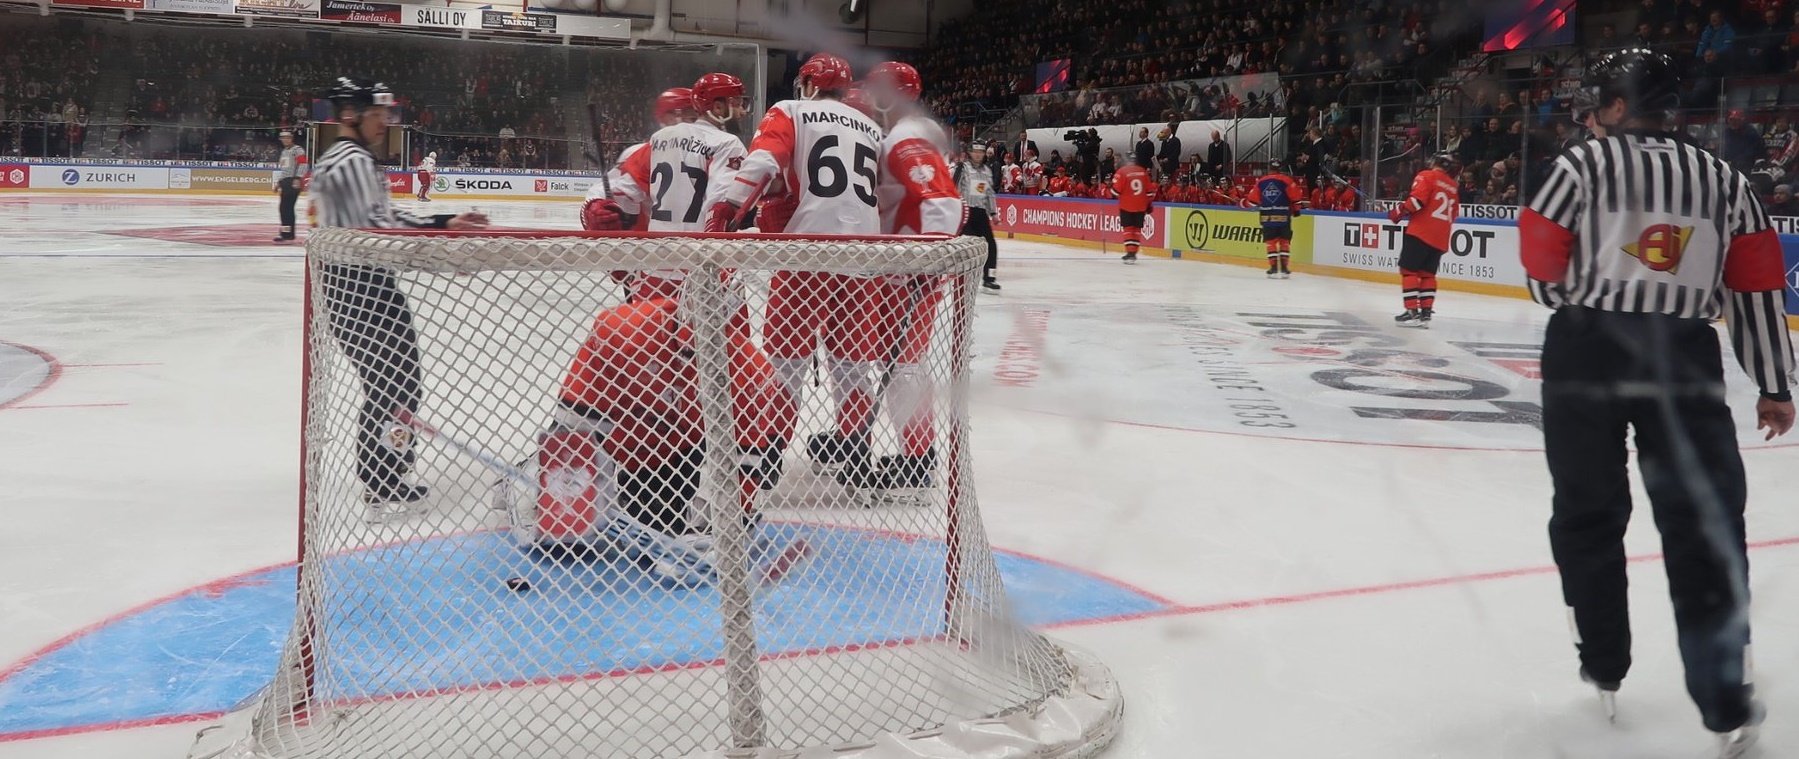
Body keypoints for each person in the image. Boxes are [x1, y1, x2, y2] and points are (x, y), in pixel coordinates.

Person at [1520, 49, 1795, 759]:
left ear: (1617, 107)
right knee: (1703, 520)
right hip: (1681, 356)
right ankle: (1724, 697)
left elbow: (1542, 270)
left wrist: (1589, 296)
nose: (1591, 116)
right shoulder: (1725, 179)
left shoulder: (1578, 166)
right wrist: (1773, 383)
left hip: (1585, 350)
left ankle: (1602, 660)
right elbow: (1755, 289)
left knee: (1587, 511)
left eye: (1598, 104)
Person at [704, 54, 891, 477]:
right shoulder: (871, 127)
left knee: (784, 362)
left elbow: (763, 162)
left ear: (808, 84)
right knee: (852, 365)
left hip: (806, 252)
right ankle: (856, 453)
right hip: (865, 254)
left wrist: (730, 208)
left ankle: (768, 454)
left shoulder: (790, 110)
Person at [307, 77, 488, 512]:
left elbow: (383, 218)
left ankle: (387, 473)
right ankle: (383, 478)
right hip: (360, 288)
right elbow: (379, 231)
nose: (384, 123)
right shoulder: (351, 161)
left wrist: (442, 224)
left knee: (395, 383)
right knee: (393, 385)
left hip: (361, 286)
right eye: (376, 115)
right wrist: (443, 249)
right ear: (351, 114)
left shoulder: (350, 159)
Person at [540, 297, 798, 583]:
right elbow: (573, 422)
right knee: (562, 538)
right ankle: (528, 488)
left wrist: (730, 527)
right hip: (620, 433)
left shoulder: (747, 369)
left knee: (658, 525)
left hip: (677, 450)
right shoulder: (619, 330)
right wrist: (568, 483)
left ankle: (656, 505)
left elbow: (744, 464)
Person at [843, 61, 966, 490]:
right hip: (901, 270)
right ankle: (915, 455)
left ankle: (917, 460)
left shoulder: (905, 137)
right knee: (897, 364)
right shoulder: (902, 134)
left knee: (903, 367)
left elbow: (943, 202)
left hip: (907, 272)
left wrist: (926, 262)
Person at [601, 73, 748, 301]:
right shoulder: (728, 143)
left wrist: (620, 247)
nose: (742, 111)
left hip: (656, 264)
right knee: (719, 325)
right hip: (704, 267)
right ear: (718, 107)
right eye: (737, 103)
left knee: (651, 325)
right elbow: (720, 206)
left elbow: (623, 195)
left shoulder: (660, 138)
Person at [581, 87, 695, 300]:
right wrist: (619, 251)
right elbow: (607, 192)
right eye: (689, 115)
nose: (694, 122)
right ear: (667, 117)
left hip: (695, 254)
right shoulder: (642, 152)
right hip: (656, 256)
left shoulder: (710, 146)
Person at [1387, 153, 1461, 327]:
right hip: (1441, 237)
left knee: (1409, 270)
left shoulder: (1427, 175)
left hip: (1420, 232)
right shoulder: (1453, 186)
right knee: (1428, 274)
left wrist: (1398, 212)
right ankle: (1425, 314)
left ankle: (1412, 312)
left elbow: (1416, 201)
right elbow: (1454, 214)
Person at [955, 140, 1001, 291]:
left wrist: (993, 213)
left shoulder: (987, 171)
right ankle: (962, 279)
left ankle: (989, 278)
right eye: (975, 151)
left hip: (981, 213)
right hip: (965, 212)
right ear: (970, 153)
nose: (978, 155)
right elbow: (954, 188)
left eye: (981, 152)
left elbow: (989, 194)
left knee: (991, 245)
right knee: (966, 247)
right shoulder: (963, 168)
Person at [1245, 158, 1302, 278]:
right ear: (1279, 168)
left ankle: (1274, 268)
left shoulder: (1261, 182)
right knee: (1284, 242)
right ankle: (1284, 269)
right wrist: (1296, 210)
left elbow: (1252, 202)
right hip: (1283, 217)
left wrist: (1241, 203)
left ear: (1269, 167)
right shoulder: (1287, 180)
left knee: (1271, 243)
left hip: (1267, 217)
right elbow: (1296, 196)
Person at [1113, 156, 1158, 264]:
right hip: (1141, 206)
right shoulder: (1142, 171)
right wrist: (1149, 204)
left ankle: (1130, 253)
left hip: (1126, 205)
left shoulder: (1122, 172)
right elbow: (1150, 192)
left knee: (1128, 229)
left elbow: (1115, 192)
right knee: (1137, 230)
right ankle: (1133, 253)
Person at [272, 129, 307, 243]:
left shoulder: (297, 150)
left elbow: (303, 164)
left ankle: (287, 234)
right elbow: (284, 169)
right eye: (283, 138)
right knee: (284, 208)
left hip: (292, 181)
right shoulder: (284, 152)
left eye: (287, 137)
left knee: (287, 208)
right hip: (285, 181)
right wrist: (279, 182)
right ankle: (286, 233)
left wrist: (298, 178)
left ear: (292, 138)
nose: (285, 140)